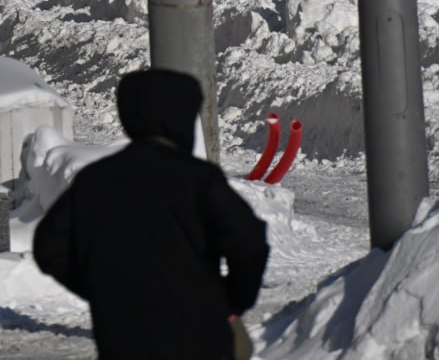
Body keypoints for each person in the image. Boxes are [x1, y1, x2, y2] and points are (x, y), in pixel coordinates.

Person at [33, 68, 269, 360]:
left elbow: (49, 248)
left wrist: (103, 291)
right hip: (200, 335)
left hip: (123, 338)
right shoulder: (198, 179)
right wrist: (230, 301)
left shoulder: (95, 180)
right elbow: (249, 243)